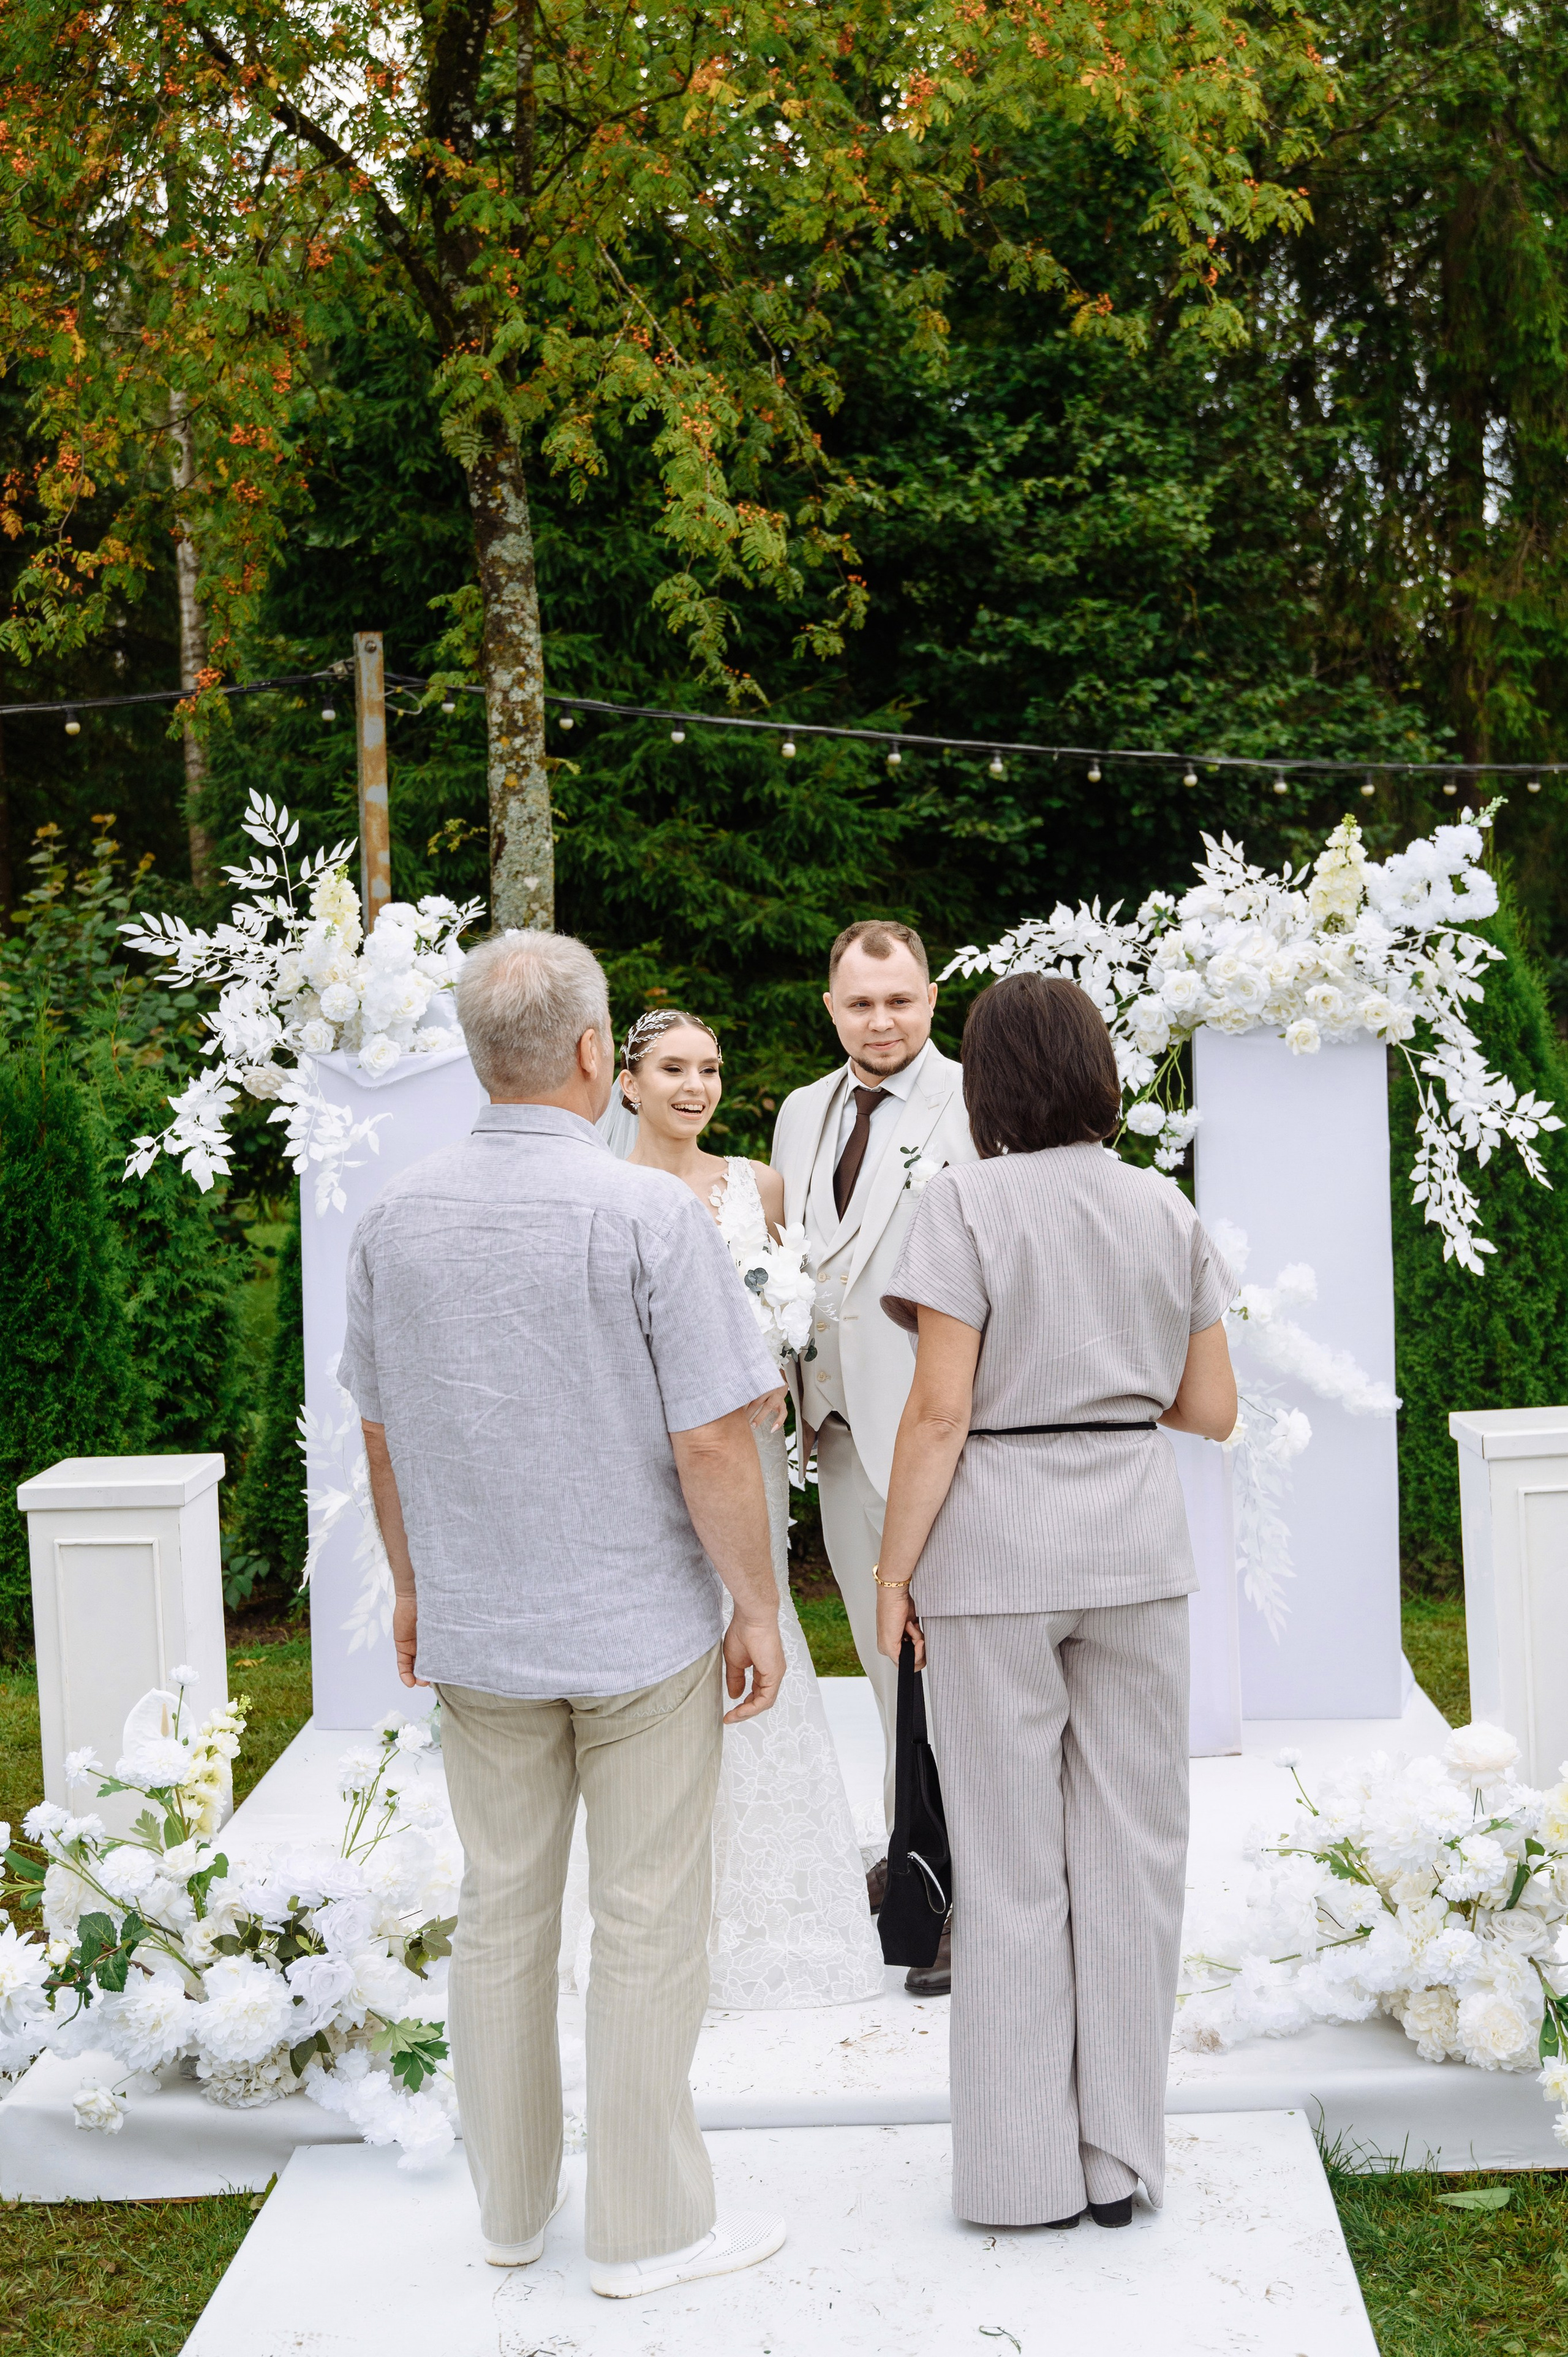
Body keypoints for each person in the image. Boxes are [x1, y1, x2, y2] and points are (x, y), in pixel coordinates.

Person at [338, 932, 790, 2299]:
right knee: (647, 1918)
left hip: (478, 1623)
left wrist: (413, 1584)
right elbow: (715, 1439)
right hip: (637, 1624)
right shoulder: (644, 1215)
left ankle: (512, 2212)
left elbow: (379, 1430)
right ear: (597, 1057)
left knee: (499, 1914)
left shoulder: (395, 1216)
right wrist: (756, 1604)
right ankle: (647, 2231)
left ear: (482, 1056)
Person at [874, 972, 1237, 2231]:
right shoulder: (1161, 1204)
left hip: (991, 1546)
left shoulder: (959, 1202)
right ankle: (1118, 2165)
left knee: (1011, 1866)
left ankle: (1016, 2175)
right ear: (1096, 1069)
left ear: (981, 1080)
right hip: (1133, 1539)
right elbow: (1211, 1411)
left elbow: (935, 1410)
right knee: (1135, 1856)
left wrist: (888, 1570)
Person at [619, 1006, 886, 2008]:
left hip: (750, 1451)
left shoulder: (756, 1186)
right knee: (660, 1641)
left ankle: (780, 1893)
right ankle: (659, 1891)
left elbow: (792, 1309)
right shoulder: (607, 1192)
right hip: (642, 1453)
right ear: (627, 1083)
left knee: (755, 1619)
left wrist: (781, 1364)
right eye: (674, 1069)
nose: (696, 1087)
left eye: (712, 1069)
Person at [769, 919, 975, 1991]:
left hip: (940, 1437)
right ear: (831, 1006)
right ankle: (914, 1858)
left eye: (898, 1001)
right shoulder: (802, 1112)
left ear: (930, 999)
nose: (880, 1021)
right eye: (859, 1004)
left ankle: (968, 1890)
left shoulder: (974, 1106)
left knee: (956, 1672)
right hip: (838, 1439)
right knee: (886, 1666)